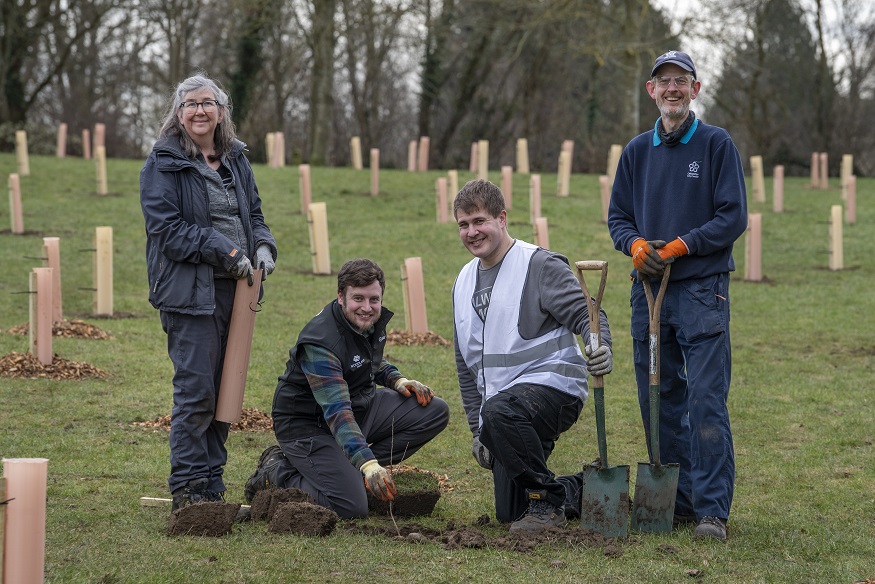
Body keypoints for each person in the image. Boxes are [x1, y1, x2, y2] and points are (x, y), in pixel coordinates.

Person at [607, 50, 748, 541]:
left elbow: (733, 217)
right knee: (658, 397)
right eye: (663, 81)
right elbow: (618, 220)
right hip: (648, 291)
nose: (672, 88)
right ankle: (680, 501)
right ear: (651, 90)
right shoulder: (636, 151)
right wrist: (638, 244)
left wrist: (685, 244)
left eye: (681, 81)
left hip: (703, 290)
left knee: (706, 401)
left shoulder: (715, 145)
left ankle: (711, 511)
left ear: (696, 88)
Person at [140, 73, 277, 511]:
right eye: (190, 104)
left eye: (208, 102)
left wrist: (262, 246)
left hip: (236, 291)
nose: (200, 111)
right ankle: (188, 488)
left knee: (226, 392)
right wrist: (225, 249)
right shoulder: (164, 162)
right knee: (197, 390)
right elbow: (168, 230)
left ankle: (212, 486)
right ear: (178, 114)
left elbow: (254, 213)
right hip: (188, 294)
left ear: (221, 111)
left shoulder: (237, 159)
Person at [451, 179, 614, 533]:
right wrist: (478, 431)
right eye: (463, 224)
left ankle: (546, 503)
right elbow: (466, 367)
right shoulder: (462, 282)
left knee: (500, 412)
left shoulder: (538, 265)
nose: (471, 232)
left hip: (554, 389)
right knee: (510, 512)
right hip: (503, 410)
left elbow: (588, 315)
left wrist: (600, 346)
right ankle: (575, 489)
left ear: (502, 218)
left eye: (479, 221)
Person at [244, 258, 450, 518]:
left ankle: (349, 467)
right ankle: (276, 472)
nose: (367, 307)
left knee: (434, 411)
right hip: (310, 426)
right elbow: (338, 412)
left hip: (358, 407)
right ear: (340, 296)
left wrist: (397, 379)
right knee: (351, 506)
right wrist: (369, 464)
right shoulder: (321, 345)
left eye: (374, 299)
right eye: (358, 299)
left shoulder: (364, 322)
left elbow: (364, 359)